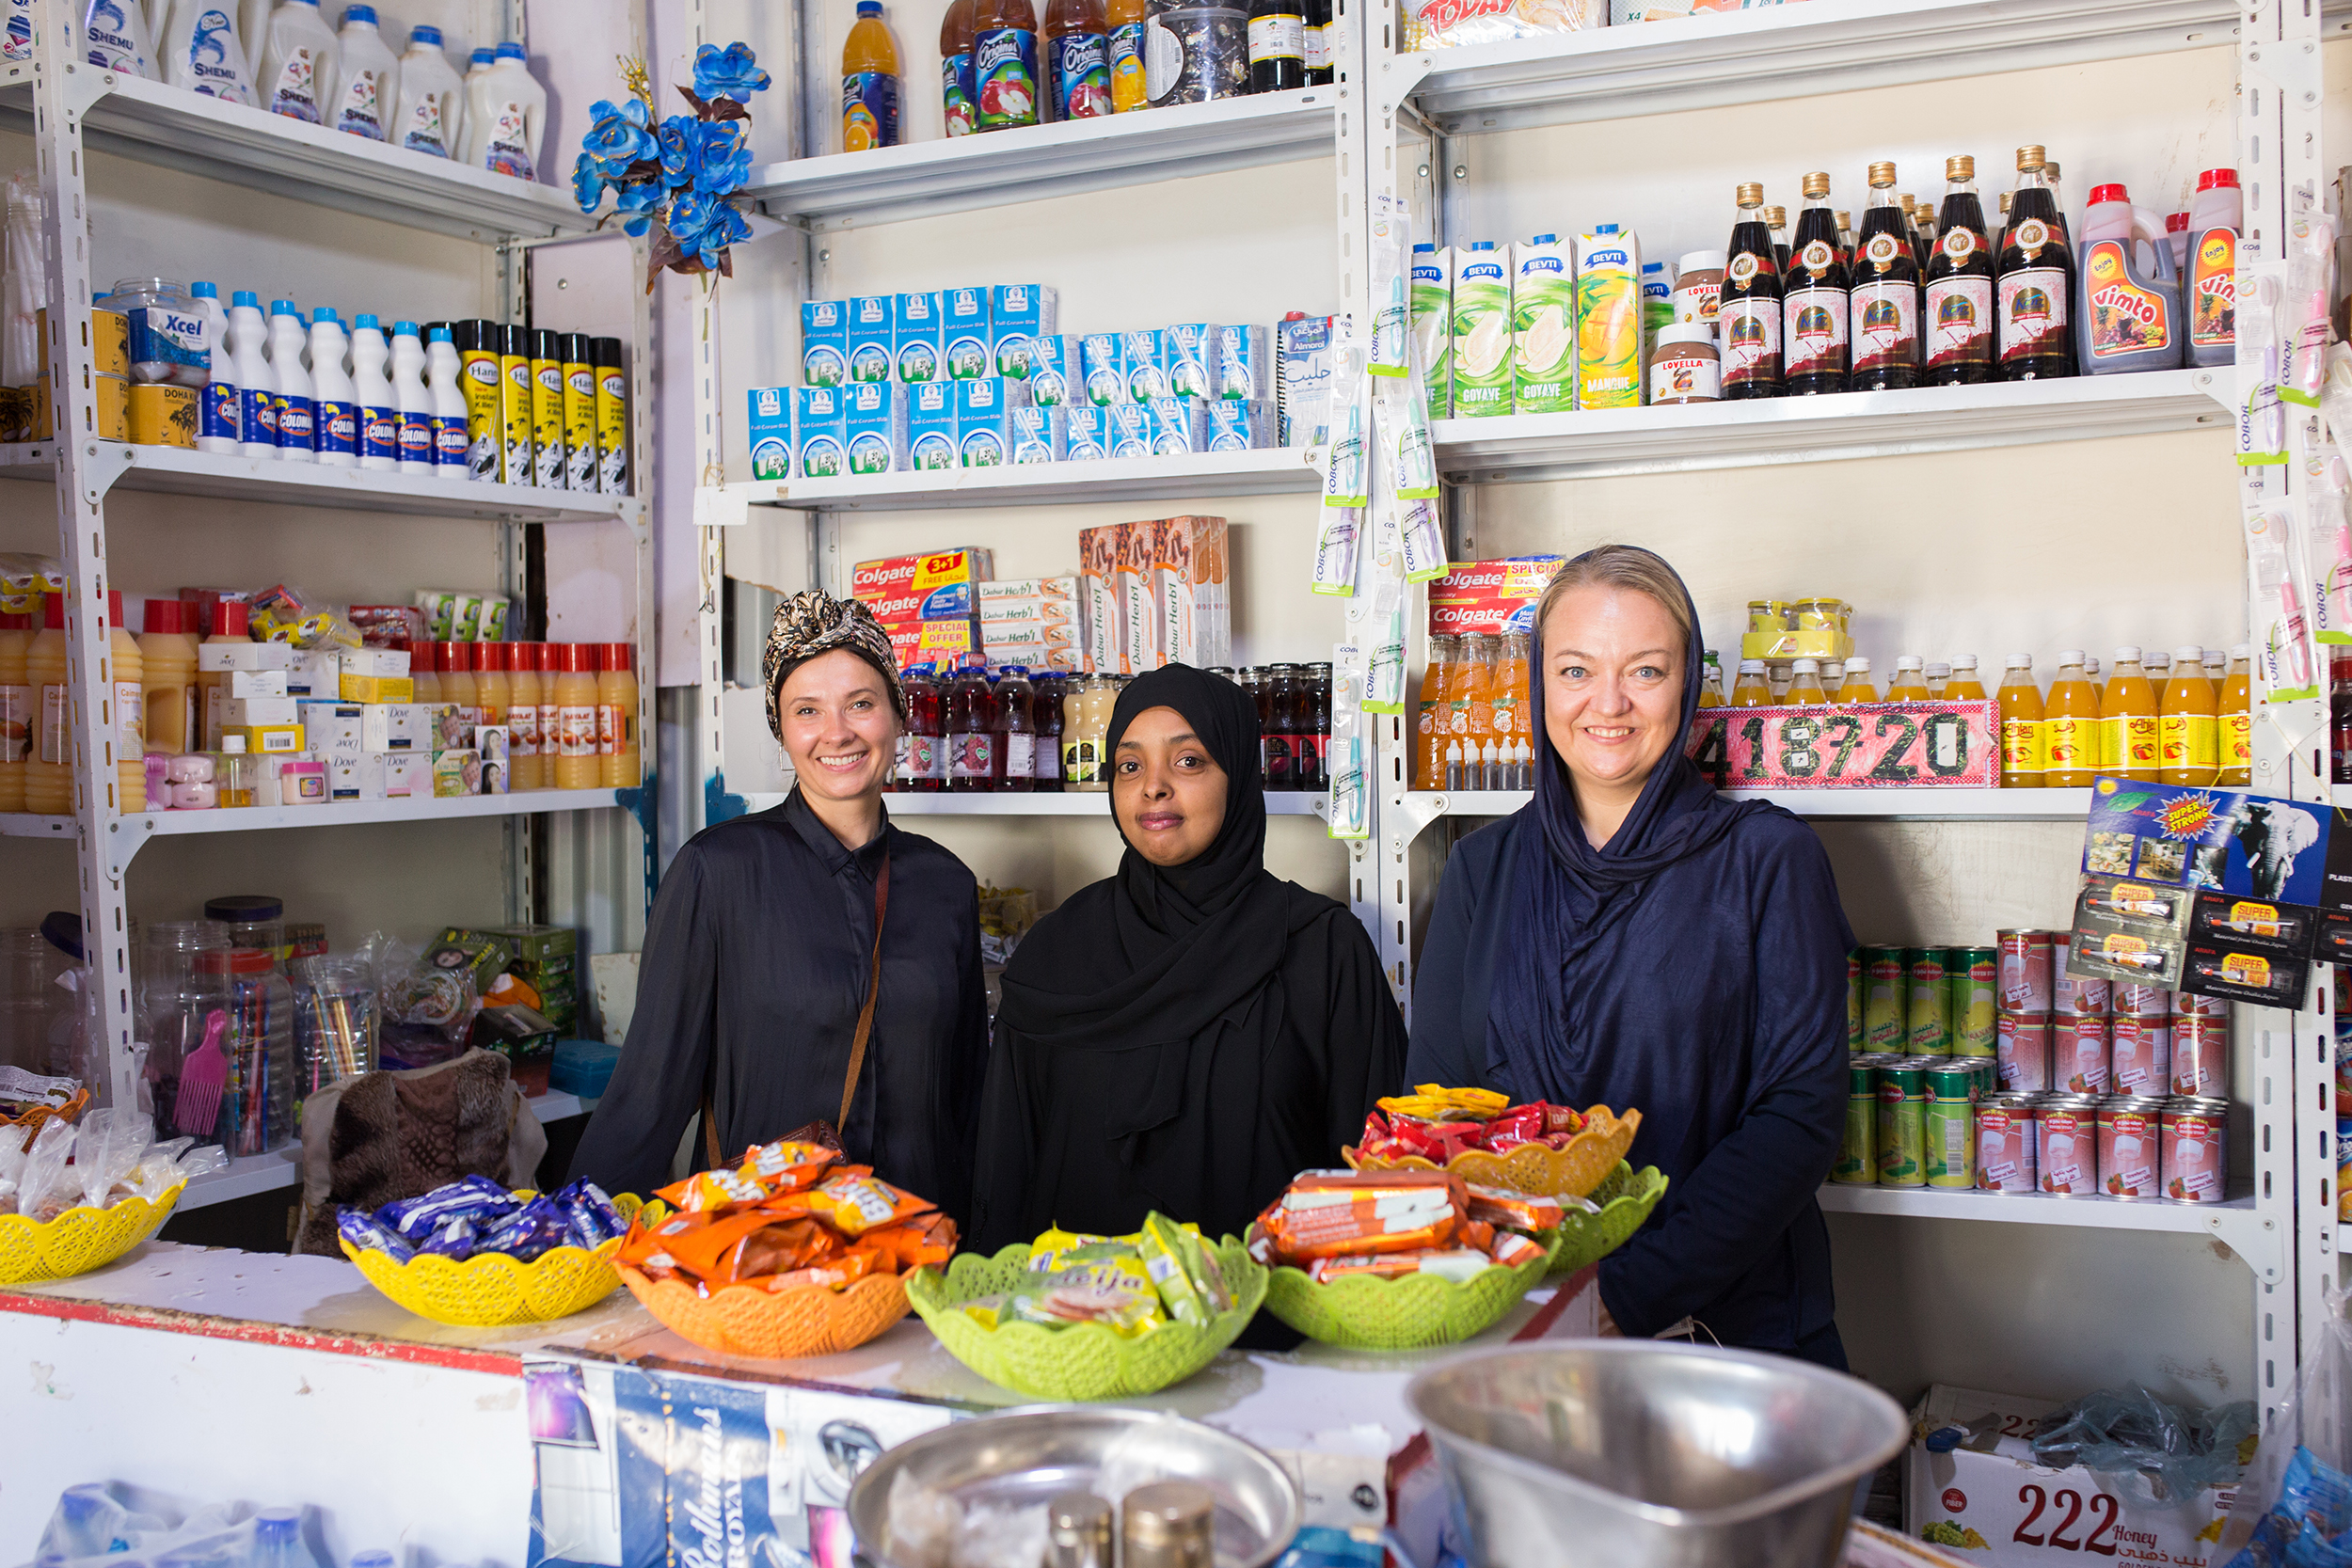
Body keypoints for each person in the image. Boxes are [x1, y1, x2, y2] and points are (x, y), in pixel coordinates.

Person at [1408, 546, 1851, 1366]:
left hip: (1725, 1339)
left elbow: (1800, 1116)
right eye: (1575, 670)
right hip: (1523, 1327)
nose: (1607, 703)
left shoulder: (1767, 859)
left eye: (1645, 670)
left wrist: (1626, 1291)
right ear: (1539, 682)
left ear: (1688, 687)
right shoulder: (1481, 870)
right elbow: (1437, 1111)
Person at [571, 592, 989, 1220]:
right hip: (768, 1259)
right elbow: (648, 1094)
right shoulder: (719, 871)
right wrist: (568, 1240)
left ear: (898, 717)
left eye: (861, 703)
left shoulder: (945, 884)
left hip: (921, 1254)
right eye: (807, 710)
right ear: (782, 729)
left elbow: (969, 1102)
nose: (837, 732)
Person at [970, 663, 1407, 1253]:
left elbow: (1374, 1181)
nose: (1154, 786)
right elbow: (1007, 1168)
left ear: (1238, 776)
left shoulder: (1323, 950)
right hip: (1079, 1324)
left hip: (1272, 1327)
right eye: (1130, 765)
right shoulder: (1057, 951)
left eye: (1188, 761)